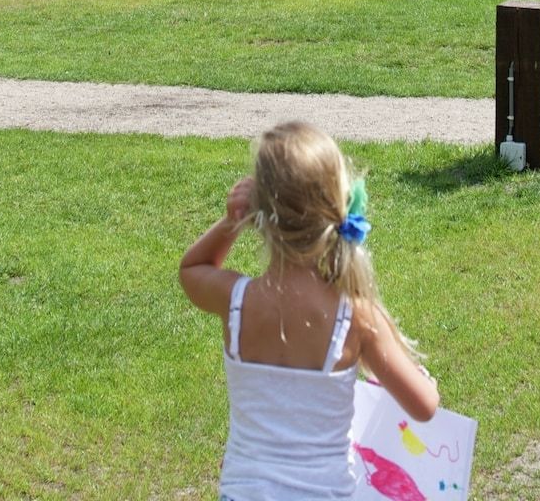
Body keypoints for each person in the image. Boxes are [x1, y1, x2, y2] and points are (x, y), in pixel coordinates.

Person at [180, 121, 438, 500]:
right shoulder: (356, 316)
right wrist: (425, 381)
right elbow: (424, 407)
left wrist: (231, 221)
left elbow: (192, 269)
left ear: (261, 211)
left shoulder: (238, 301)